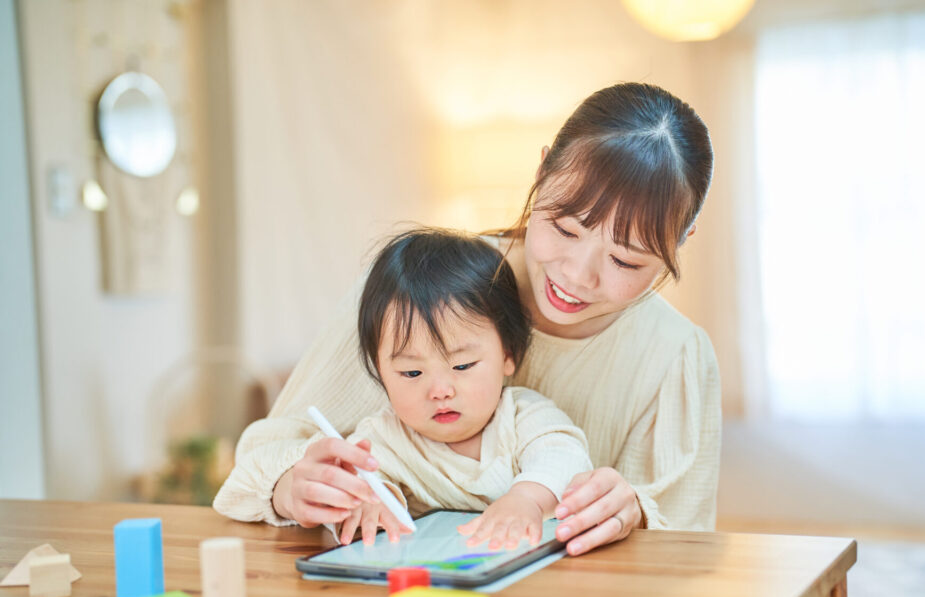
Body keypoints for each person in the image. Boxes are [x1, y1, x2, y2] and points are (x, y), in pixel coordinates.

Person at [213, 82, 720, 556]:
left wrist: (633, 510)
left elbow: (684, 550)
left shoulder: (675, 355)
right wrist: (294, 484)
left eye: (625, 261)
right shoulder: (413, 292)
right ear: (542, 173)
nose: (578, 276)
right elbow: (269, 451)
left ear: (680, 242)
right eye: (565, 229)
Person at [316, 228, 592, 548]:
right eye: (411, 372)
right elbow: (354, 483)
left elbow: (564, 457)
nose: (440, 390)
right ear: (380, 371)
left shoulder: (522, 417)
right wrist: (369, 501)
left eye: (462, 366)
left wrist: (527, 499)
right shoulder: (382, 440)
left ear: (508, 355)